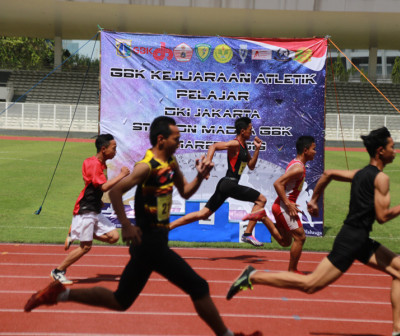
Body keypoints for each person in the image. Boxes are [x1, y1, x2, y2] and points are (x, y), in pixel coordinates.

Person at [25, 116, 261, 336]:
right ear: (161, 139)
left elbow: (186, 192)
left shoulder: (171, 162)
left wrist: (200, 175)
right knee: (198, 286)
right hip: (150, 243)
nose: (179, 142)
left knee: (121, 300)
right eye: (176, 139)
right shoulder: (146, 166)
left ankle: (59, 293)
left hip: (151, 244)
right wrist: (126, 225)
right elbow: (116, 190)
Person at [226, 127, 400, 336]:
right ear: (380, 151)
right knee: (310, 284)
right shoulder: (381, 179)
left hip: (359, 239)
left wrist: (314, 199)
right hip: (352, 240)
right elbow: (382, 216)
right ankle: (254, 276)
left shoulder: (360, 173)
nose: (395, 151)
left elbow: (328, 174)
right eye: (392, 147)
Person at [169, 116, 285, 247]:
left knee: (204, 214)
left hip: (226, 184)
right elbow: (213, 146)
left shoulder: (244, 147)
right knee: (261, 200)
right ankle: (247, 234)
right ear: (242, 131)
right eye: (250, 129)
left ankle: (169, 226)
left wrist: (257, 148)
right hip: (229, 183)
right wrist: (207, 164)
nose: (251, 132)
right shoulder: (235, 144)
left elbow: (251, 165)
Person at [50, 134, 130, 285]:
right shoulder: (95, 164)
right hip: (86, 209)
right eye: (114, 148)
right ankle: (58, 271)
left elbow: (91, 185)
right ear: (103, 149)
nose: (115, 151)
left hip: (94, 208)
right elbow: (104, 186)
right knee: (85, 247)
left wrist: (98, 200)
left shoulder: (94, 162)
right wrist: (122, 175)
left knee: (113, 237)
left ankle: (76, 231)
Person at [272, 135, 316, 273]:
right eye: (313, 149)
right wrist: (288, 203)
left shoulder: (296, 163)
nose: (315, 152)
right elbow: (277, 183)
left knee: (286, 242)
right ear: (306, 150)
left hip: (281, 206)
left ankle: (263, 218)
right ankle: (292, 270)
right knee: (300, 237)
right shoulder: (298, 168)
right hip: (284, 207)